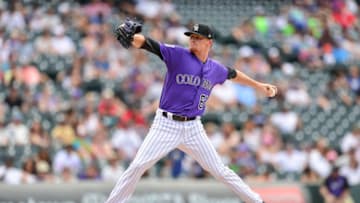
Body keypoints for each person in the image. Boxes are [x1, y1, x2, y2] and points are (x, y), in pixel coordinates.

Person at [105, 19, 277, 203]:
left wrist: (258, 85)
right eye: (191, 37)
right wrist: (132, 38)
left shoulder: (215, 69)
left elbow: (233, 74)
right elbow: (149, 44)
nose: (193, 40)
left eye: (198, 37)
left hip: (194, 128)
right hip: (166, 125)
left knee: (220, 171)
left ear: (208, 43)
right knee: (138, 165)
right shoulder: (178, 55)